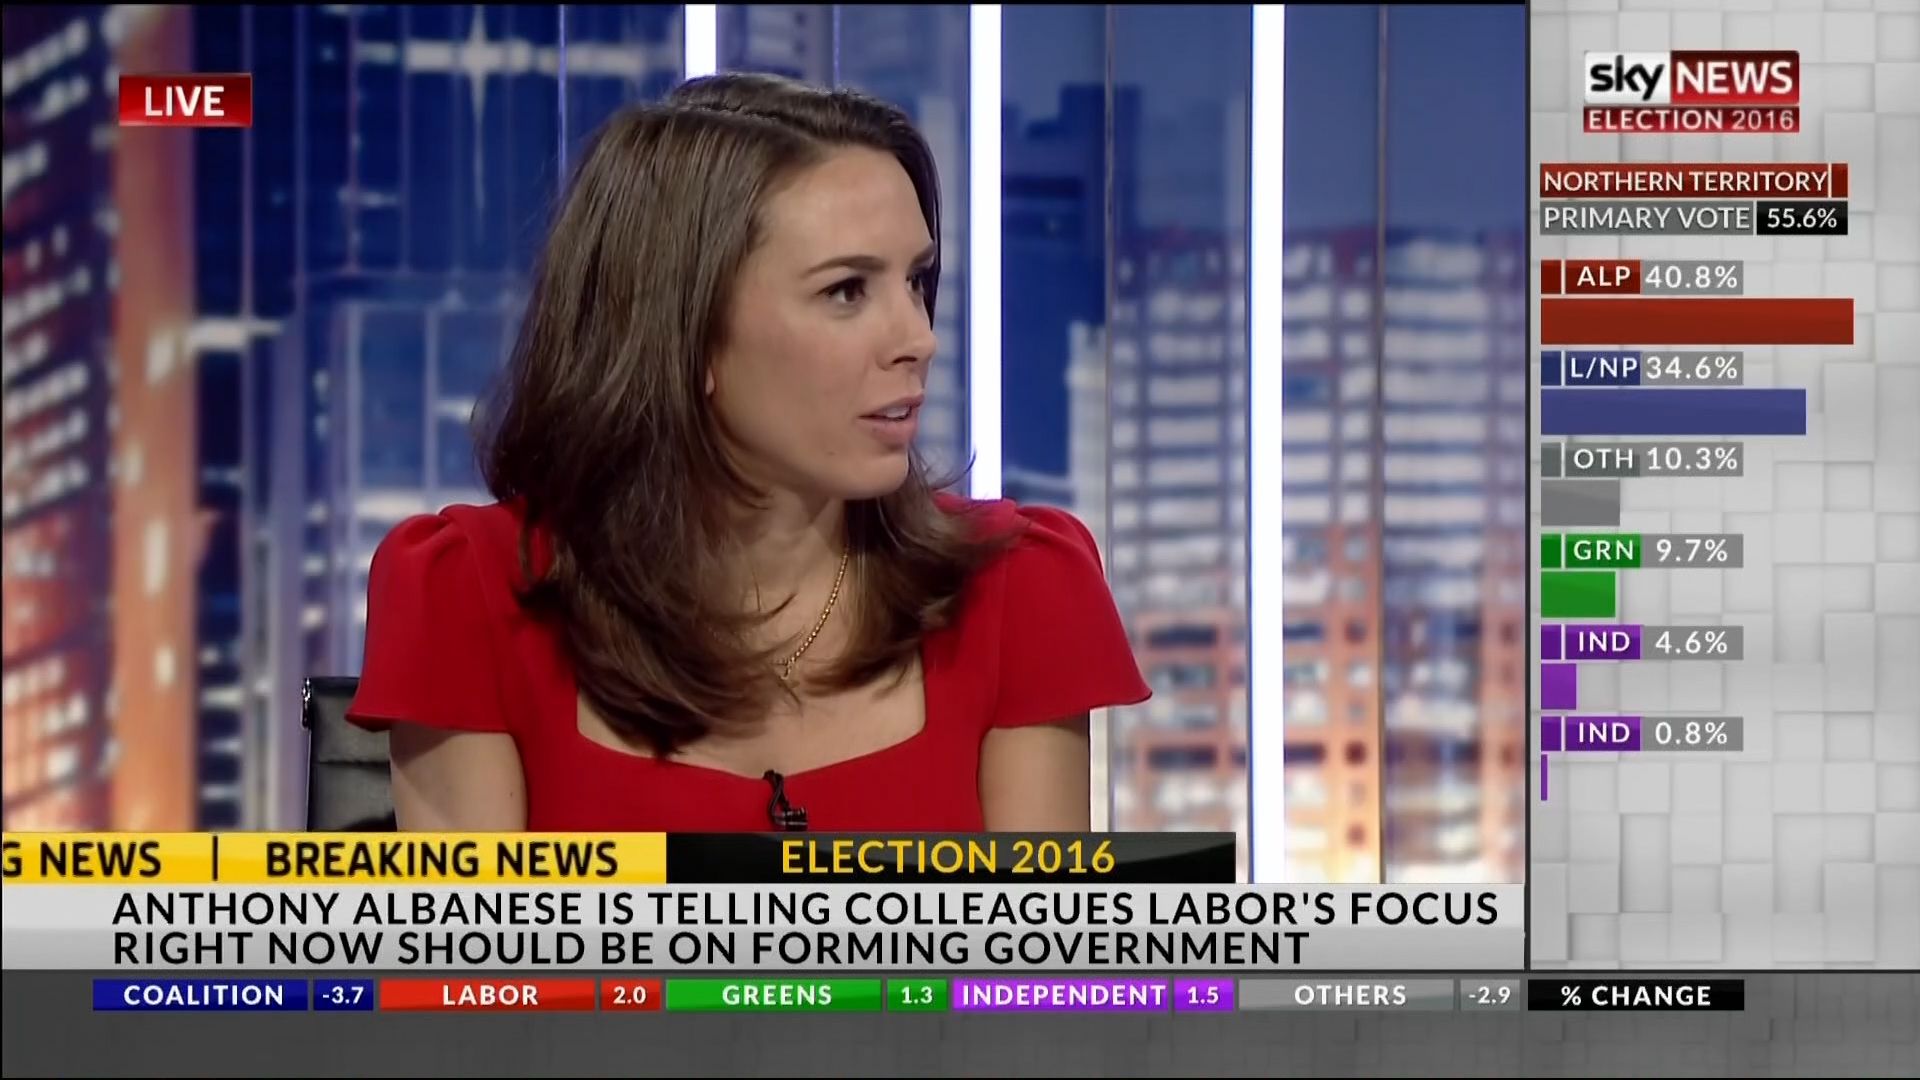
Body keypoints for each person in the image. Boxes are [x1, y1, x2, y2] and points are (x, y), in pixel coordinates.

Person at [347, 73, 1150, 833]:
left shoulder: (1017, 592)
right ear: (687, 335)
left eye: (917, 281)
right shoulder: (472, 598)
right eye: (847, 291)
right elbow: (478, 941)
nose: (918, 338)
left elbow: (1034, 940)